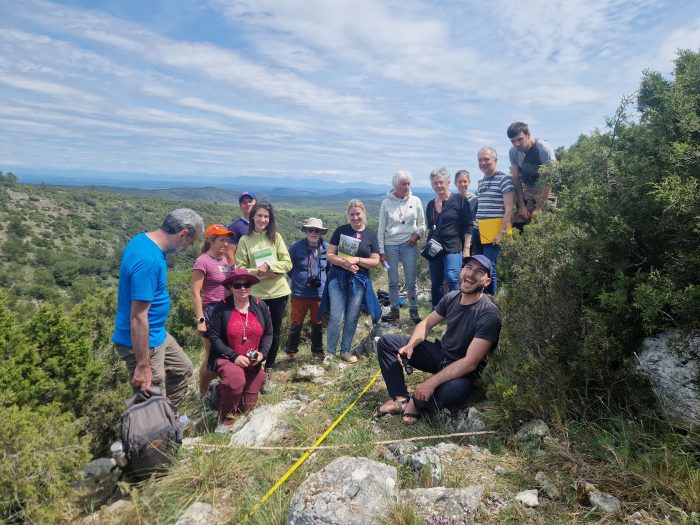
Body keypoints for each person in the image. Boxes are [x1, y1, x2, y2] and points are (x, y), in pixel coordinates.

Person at [376, 255, 502, 424]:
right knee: (387, 342)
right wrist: (411, 346)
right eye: (468, 268)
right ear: (462, 271)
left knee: (456, 390)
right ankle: (400, 399)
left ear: (487, 282)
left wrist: (431, 382)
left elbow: (470, 362)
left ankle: (417, 402)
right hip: (441, 355)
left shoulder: (489, 314)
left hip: (462, 371)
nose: (471, 275)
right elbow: (427, 323)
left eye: (479, 272)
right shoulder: (452, 297)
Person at [112, 208, 203, 408]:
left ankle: (167, 418)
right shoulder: (149, 261)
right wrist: (143, 364)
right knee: (150, 392)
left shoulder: (142, 240)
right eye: (190, 242)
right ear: (183, 234)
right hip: (143, 341)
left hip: (157, 333)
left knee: (183, 369)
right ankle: (154, 432)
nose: (188, 247)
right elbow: (137, 316)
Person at [322, 199, 382, 363]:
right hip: (338, 279)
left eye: (358, 214)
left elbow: (375, 261)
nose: (355, 217)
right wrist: (344, 263)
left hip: (359, 281)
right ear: (348, 215)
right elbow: (330, 255)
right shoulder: (341, 230)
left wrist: (356, 260)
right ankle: (331, 353)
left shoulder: (370, 234)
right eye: (352, 214)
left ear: (364, 213)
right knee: (336, 316)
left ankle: (346, 351)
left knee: (352, 317)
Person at [207, 269, 270, 425]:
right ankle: (225, 421)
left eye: (246, 284)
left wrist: (262, 355)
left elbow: (269, 334)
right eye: (237, 285)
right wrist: (234, 357)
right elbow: (214, 337)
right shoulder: (221, 308)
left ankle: (222, 393)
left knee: (246, 408)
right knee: (235, 379)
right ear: (230, 287)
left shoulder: (259, 305)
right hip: (227, 357)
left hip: (251, 362)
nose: (243, 288)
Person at [235, 201, 291, 371]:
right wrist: (259, 272)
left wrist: (269, 266)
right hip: (257, 293)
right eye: (259, 215)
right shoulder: (245, 240)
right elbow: (240, 268)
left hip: (278, 292)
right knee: (255, 331)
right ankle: (254, 366)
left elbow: (287, 264)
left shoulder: (276, 237)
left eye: (266, 216)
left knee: (273, 332)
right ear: (252, 217)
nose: (263, 219)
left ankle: (269, 367)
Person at [191, 223, 236, 397]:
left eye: (227, 240)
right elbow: (195, 293)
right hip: (212, 312)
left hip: (228, 310)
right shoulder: (203, 261)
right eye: (222, 240)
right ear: (210, 240)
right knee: (210, 356)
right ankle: (202, 395)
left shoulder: (224, 259)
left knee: (227, 352)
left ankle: (223, 390)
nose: (226, 243)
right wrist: (201, 320)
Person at [378, 170, 426, 324]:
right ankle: (394, 311)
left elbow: (422, 225)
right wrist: (381, 252)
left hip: (409, 243)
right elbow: (381, 229)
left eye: (408, 183)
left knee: (411, 279)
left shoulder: (416, 200)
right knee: (392, 280)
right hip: (390, 243)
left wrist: (416, 235)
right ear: (395, 185)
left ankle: (414, 311)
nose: (407, 186)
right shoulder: (386, 203)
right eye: (403, 183)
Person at [425, 167, 473, 307]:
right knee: (436, 282)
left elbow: (468, 224)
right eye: (435, 183)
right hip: (434, 247)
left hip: (453, 246)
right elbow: (430, 226)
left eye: (441, 182)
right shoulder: (430, 205)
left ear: (448, 183)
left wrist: (466, 249)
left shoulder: (460, 200)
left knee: (453, 278)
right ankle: (437, 311)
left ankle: (456, 310)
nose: (438, 186)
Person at [285, 217, 329, 360]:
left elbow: (330, 269)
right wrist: (298, 279)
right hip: (300, 293)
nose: (313, 233)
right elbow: (288, 267)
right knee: (296, 323)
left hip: (319, 292)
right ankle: (291, 351)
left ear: (321, 232)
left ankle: (317, 351)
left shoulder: (327, 249)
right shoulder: (295, 247)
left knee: (318, 323)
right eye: (311, 230)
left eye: (317, 230)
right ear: (306, 231)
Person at [473, 147, 515, 295]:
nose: (483, 162)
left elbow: (509, 209)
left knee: (487, 267)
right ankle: (481, 298)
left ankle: (489, 302)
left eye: (486, 159)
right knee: (478, 266)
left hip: (494, 232)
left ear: (495, 160)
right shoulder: (481, 181)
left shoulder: (505, 179)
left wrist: (501, 233)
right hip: (478, 230)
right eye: (480, 160)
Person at [507, 122, 557, 228]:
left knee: (541, 224)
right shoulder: (513, 152)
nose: (516, 144)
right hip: (527, 189)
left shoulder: (543, 149)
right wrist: (521, 205)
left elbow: (549, 181)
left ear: (528, 135)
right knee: (519, 224)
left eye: (520, 139)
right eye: (513, 141)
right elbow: (516, 179)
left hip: (544, 190)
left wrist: (538, 208)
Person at [226, 191, 256, 264]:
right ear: (240, 207)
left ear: (256, 204)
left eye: (250, 201)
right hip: (245, 271)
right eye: (244, 202)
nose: (248, 204)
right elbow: (229, 253)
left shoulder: (262, 224)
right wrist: (237, 273)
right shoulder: (234, 227)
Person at [455, 170, 479, 256]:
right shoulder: (451, 200)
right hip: (455, 240)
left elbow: (476, 221)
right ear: (455, 183)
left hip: (471, 240)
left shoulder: (475, 200)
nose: (462, 184)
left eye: (465, 181)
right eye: (459, 182)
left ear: (469, 182)